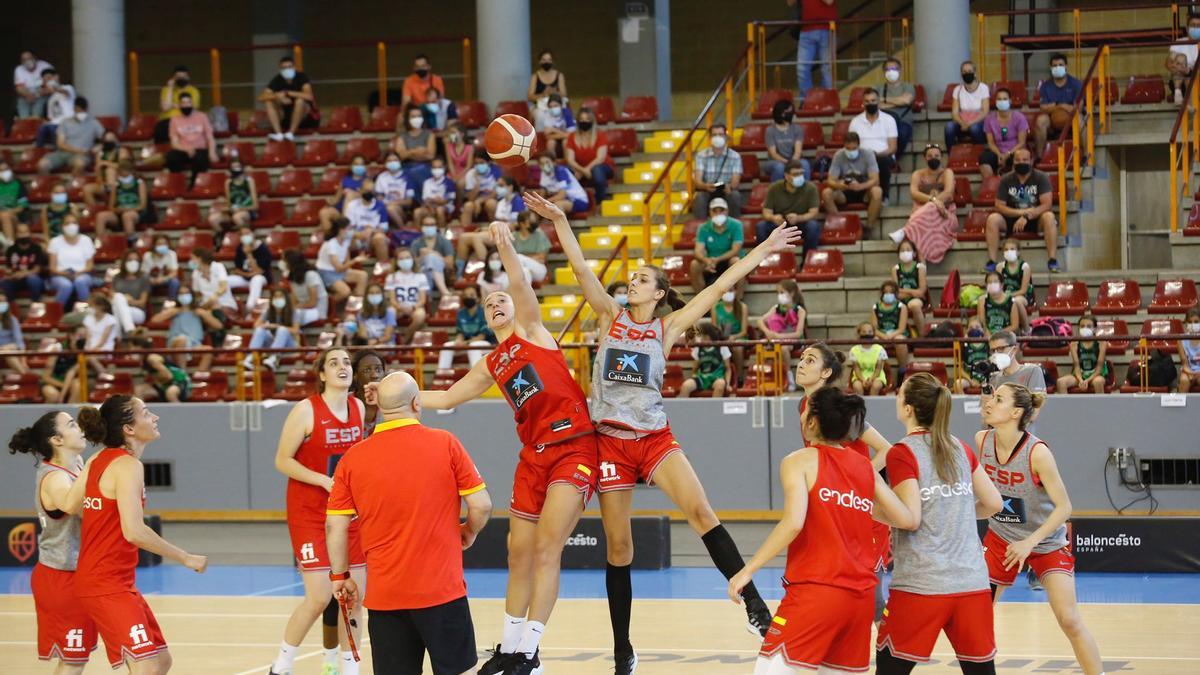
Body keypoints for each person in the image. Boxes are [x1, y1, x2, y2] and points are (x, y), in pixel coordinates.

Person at [533, 191, 802, 665]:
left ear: (658, 294)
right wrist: (559, 221)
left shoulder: (667, 328)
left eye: (642, 279)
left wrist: (765, 249)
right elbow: (578, 270)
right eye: (631, 277)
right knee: (619, 546)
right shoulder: (607, 317)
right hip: (611, 444)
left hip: (654, 438)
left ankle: (756, 607)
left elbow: (718, 289)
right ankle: (623, 650)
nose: (631, 282)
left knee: (701, 512)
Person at [418, 219, 602, 675]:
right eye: (488, 303)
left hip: (575, 448)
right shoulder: (491, 362)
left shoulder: (535, 331)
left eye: (500, 299)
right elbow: (445, 397)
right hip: (534, 456)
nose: (496, 303)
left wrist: (506, 249)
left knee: (546, 550)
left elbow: (518, 282)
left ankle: (530, 652)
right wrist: (401, 395)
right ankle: (510, 646)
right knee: (517, 553)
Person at [729, 387, 916, 675]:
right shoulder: (864, 468)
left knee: (768, 671)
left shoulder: (798, 460)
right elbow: (906, 519)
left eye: (806, 409)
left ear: (813, 421)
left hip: (815, 592)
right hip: (860, 600)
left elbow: (793, 522)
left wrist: (748, 569)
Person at [328, 370, 490, 675]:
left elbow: (334, 526)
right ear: (417, 403)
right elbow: (481, 504)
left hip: (385, 599)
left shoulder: (352, 457)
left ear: (379, 407)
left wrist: (340, 576)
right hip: (442, 593)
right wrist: (468, 531)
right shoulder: (445, 443)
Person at [875, 373, 1004, 674]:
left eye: (899, 393)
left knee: (889, 669)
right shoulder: (960, 447)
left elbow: (910, 518)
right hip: (972, 584)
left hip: (922, 585)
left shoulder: (902, 452)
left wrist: (869, 511)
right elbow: (995, 503)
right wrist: (952, 511)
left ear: (908, 408)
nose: (896, 397)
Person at [75, 396, 209, 673]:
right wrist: (185, 558)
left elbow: (69, 505)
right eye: (146, 413)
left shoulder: (99, 458)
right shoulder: (127, 466)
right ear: (129, 429)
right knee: (146, 666)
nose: (155, 417)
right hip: (105, 583)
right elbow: (134, 531)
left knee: (160, 661)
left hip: (117, 581)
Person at [978, 384, 1105, 675]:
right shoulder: (982, 440)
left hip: (1046, 541)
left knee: (1069, 619)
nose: (988, 403)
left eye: (998, 399)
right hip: (1001, 538)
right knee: (978, 618)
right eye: (991, 397)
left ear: (1015, 412)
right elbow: (989, 500)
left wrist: (1030, 543)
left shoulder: (1037, 453)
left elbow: (1065, 507)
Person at [269, 349, 367, 675]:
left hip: (347, 515)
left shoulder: (359, 407)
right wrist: (323, 481)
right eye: (333, 363)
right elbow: (282, 460)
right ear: (322, 374)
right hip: (309, 513)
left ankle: (348, 668)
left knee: (355, 598)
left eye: (346, 363)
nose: (342, 367)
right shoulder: (306, 410)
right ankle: (281, 665)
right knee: (320, 597)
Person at [9, 411, 96, 673]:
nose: (79, 427)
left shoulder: (78, 462)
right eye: (72, 424)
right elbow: (81, 507)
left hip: (80, 574)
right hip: (60, 576)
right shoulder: (55, 478)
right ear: (57, 440)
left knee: (77, 659)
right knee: (72, 661)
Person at [987, 148, 1059, 272]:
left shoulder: (1041, 177)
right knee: (992, 219)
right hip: (1011, 219)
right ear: (1013, 162)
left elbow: (1047, 204)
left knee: (1049, 216)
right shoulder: (1006, 179)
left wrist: (1027, 216)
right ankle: (992, 261)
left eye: (1025, 160)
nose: (1021, 162)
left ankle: (1052, 260)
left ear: (1031, 161)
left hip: (1035, 219)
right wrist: (1020, 213)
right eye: (1018, 160)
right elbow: (999, 205)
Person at [894, 144, 959, 266]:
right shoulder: (917, 174)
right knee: (921, 225)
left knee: (924, 214)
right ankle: (922, 267)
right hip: (922, 218)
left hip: (945, 215)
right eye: (930, 156)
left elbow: (949, 193)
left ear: (941, 158)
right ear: (925, 158)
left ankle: (904, 231)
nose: (933, 158)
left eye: (936, 155)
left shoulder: (947, 173)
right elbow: (914, 193)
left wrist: (933, 204)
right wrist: (933, 201)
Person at [761, 160, 821, 261]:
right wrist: (773, 217)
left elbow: (814, 212)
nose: (800, 176)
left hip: (801, 223)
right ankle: (763, 261)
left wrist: (799, 218)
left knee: (813, 226)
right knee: (761, 227)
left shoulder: (811, 188)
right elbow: (766, 212)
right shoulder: (775, 188)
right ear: (786, 175)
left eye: (801, 173)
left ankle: (807, 262)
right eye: (795, 174)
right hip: (780, 224)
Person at [822, 132, 883, 228]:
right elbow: (830, 181)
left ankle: (869, 227)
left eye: (854, 148)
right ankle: (840, 225)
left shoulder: (868, 154)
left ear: (859, 146)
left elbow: (875, 180)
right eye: (848, 148)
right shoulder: (839, 155)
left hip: (864, 190)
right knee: (826, 193)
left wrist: (860, 186)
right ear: (844, 146)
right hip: (845, 191)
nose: (851, 151)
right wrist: (840, 185)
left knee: (877, 191)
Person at [848, 88, 898, 199]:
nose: (870, 104)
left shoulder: (889, 120)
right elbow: (851, 145)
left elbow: (893, 148)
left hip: (884, 156)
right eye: (867, 101)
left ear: (878, 101)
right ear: (863, 103)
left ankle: (884, 197)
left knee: (883, 161)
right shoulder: (855, 122)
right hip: (861, 158)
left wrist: (875, 155)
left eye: (873, 101)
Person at [758, 280, 807, 388]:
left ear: (792, 293)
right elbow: (760, 321)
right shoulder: (776, 308)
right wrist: (768, 332)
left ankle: (789, 377)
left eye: (782, 292)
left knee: (784, 348)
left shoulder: (800, 310)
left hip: (794, 341)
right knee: (761, 346)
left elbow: (798, 333)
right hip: (776, 339)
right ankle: (766, 378)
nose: (779, 295)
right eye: (778, 293)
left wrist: (778, 337)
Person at [150, 292, 215, 371]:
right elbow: (154, 320)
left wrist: (204, 314)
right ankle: (183, 373)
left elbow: (219, 326)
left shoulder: (199, 312)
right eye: (181, 293)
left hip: (194, 345)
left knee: (208, 350)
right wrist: (171, 312)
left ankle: (198, 377)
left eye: (186, 293)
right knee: (182, 340)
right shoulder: (173, 311)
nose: (184, 296)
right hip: (176, 343)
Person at [39, 97, 105, 176]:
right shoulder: (65, 122)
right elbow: (60, 143)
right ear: (74, 109)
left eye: (81, 110)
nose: (79, 112)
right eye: (77, 109)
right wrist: (77, 150)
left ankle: (72, 186)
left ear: (87, 109)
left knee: (80, 164)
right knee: (42, 165)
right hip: (62, 153)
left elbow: (106, 139)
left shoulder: (94, 123)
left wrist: (99, 146)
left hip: (82, 155)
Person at [690, 198, 745, 290]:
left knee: (736, 262)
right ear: (710, 212)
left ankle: (738, 298)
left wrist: (717, 259)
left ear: (727, 211)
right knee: (694, 264)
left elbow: (735, 250)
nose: (718, 214)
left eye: (721, 210)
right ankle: (700, 299)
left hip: (728, 260)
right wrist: (706, 260)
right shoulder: (703, 228)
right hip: (710, 261)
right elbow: (698, 251)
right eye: (715, 211)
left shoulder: (736, 225)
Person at [259, 55, 318, 142]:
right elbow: (261, 97)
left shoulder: (302, 77)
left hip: (305, 119)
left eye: (290, 67)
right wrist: (277, 96)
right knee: (268, 101)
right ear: (280, 70)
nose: (287, 70)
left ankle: (291, 133)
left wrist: (287, 93)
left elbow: (309, 96)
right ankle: (278, 134)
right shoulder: (277, 80)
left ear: (294, 67)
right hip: (286, 117)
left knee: (300, 100)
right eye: (284, 68)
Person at [1035, 53, 1083, 159]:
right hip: (1052, 119)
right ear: (1050, 67)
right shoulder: (1045, 86)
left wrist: (1055, 106)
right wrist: (1061, 105)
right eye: (1055, 65)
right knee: (1040, 121)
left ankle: (1084, 155)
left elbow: (1077, 108)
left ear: (1066, 66)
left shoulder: (1076, 84)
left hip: (1070, 118)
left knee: (1080, 119)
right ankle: (1039, 157)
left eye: (1060, 65)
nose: (1057, 67)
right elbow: (1043, 108)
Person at [436, 285, 495, 370]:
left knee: (473, 347)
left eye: (471, 295)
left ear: (478, 298)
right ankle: (442, 376)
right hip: (467, 344)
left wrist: (465, 343)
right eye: (466, 295)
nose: (468, 297)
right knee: (447, 346)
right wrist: (458, 341)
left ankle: (476, 378)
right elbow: (460, 333)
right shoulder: (461, 313)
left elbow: (482, 336)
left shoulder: (484, 312)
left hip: (486, 345)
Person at [164, 93, 217, 188]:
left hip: (200, 149)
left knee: (200, 159)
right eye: (183, 103)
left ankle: (194, 185)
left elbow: (210, 137)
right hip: (183, 149)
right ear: (179, 105)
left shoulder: (202, 116)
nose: (186, 105)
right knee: (171, 158)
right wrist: (186, 149)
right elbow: (174, 143)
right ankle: (178, 184)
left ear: (192, 103)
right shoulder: (174, 120)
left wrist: (212, 152)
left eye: (188, 102)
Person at [692, 124, 744, 219]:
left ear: (725, 136)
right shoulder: (701, 155)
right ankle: (700, 228)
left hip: (726, 191)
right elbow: (698, 181)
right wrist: (706, 186)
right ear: (710, 137)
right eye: (714, 135)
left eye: (720, 134)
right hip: (708, 190)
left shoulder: (735, 156)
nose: (717, 137)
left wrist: (730, 187)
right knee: (699, 198)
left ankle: (735, 226)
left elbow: (735, 182)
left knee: (735, 196)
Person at [789, 0, 837, 102]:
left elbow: (829, 1)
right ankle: (807, 101)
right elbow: (790, 3)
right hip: (806, 28)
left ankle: (828, 100)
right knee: (802, 68)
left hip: (826, 27)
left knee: (827, 68)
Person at [565, 106, 614, 203]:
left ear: (592, 121)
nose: (584, 122)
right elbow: (570, 159)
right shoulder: (572, 136)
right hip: (581, 168)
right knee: (567, 171)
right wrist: (583, 171)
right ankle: (574, 201)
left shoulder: (600, 135)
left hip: (601, 167)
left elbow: (600, 158)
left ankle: (600, 201)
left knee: (597, 170)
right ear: (578, 121)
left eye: (587, 119)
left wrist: (586, 169)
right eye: (582, 119)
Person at [316, 218, 369, 306]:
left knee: (363, 276)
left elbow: (362, 236)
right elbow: (339, 268)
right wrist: (355, 260)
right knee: (345, 292)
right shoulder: (331, 244)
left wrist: (366, 230)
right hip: (327, 273)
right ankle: (328, 305)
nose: (351, 231)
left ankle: (356, 305)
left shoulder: (346, 237)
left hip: (340, 270)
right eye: (349, 228)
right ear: (341, 230)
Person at [47, 215, 97, 306]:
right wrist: (65, 274)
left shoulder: (86, 240)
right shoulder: (55, 241)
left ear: (78, 225)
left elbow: (90, 265)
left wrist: (78, 273)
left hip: (83, 274)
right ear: (62, 226)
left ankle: (87, 311)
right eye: (67, 223)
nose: (71, 226)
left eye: (74, 223)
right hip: (60, 275)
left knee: (80, 281)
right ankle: (55, 314)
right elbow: (52, 268)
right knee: (66, 285)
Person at [980, 88, 1030, 178]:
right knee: (984, 159)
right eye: (999, 99)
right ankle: (992, 185)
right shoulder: (989, 119)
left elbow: (1022, 142)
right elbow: (990, 142)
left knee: (1019, 159)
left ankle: (1012, 185)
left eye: (1004, 99)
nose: (1002, 101)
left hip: (1015, 151)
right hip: (997, 151)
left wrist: (1008, 153)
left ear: (1010, 101)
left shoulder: (1019, 117)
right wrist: (999, 154)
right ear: (995, 102)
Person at [246, 289, 300, 371]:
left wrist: (277, 326)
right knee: (260, 330)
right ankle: (250, 358)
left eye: (280, 296)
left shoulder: (293, 312)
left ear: (285, 298)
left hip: (290, 344)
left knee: (282, 330)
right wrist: (268, 326)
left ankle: (273, 359)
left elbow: (295, 330)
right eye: (275, 296)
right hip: (274, 342)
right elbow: (256, 325)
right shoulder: (269, 311)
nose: (278, 298)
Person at [1052, 315, 1107, 394]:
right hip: (1079, 375)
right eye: (1082, 326)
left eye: (1088, 326)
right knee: (1061, 382)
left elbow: (1099, 368)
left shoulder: (1101, 343)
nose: (1085, 329)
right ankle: (1065, 406)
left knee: (1098, 382)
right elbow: (1076, 366)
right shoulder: (1074, 344)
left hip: (1096, 375)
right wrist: (1081, 380)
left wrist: (1087, 380)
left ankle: (1100, 406)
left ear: (1095, 329)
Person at [96, 161, 150, 240]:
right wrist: (118, 210)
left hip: (135, 213)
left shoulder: (139, 183)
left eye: (126, 171)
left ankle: (130, 243)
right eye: (122, 171)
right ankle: (101, 243)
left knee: (127, 216)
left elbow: (142, 205)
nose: (124, 173)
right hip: (119, 212)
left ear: (132, 171)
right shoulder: (116, 185)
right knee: (101, 216)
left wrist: (127, 210)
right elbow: (111, 206)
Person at [189, 247, 237, 336]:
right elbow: (197, 294)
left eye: (192, 258)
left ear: (200, 258)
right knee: (199, 312)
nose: (190, 261)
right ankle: (218, 332)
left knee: (212, 306)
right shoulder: (195, 274)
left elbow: (223, 287)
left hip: (224, 303)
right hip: (206, 305)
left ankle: (218, 333)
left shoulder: (218, 266)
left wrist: (214, 297)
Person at [342, 178, 392, 262]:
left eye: (371, 191)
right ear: (360, 190)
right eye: (366, 190)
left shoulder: (380, 206)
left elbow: (384, 228)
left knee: (380, 238)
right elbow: (347, 227)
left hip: (373, 236)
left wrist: (371, 231)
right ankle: (346, 269)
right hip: (356, 236)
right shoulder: (352, 205)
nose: (369, 193)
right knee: (341, 238)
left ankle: (383, 269)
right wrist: (358, 234)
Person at [384, 250, 429, 341]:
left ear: (413, 259)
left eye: (407, 257)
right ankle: (389, 337)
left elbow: (422, 300)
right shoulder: (391, 277)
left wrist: (412, 307)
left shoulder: (420, 277)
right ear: (396, 261)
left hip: (414, 306)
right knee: (390, 312)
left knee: (420, 315)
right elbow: (392, 299)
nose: (405, 260)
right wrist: (400, 307)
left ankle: (406, 337)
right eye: (401, 258)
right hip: (398, 307)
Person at [319, 154, 370, 233]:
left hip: (357, 214)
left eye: (361, 164)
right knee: (324, 212)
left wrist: (354, 194)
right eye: (356, 164)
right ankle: (330, 238)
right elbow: (336, 199)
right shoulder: (345, 180)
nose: (359, 166)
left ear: (365, 166)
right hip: (341, 211)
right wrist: (330, 201)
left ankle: (344, 224)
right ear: (351, 166)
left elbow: (368, 199)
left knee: (349, 194)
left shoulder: (367, 181)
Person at [678, 322, 731, 398]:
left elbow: (728, 369)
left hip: (717, 377)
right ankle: (683, 409)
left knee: (720, 385)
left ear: (708, 336)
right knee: (685, 386)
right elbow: (695, 368)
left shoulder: (722, 347)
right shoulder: (698, 347)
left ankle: (713, 409)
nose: (700, 337)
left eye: (701, 335)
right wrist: (694, 377)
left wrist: (728, 384)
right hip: (702, 377)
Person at [945, 60, 990, 149]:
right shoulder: (957, 89)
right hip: (962, 121)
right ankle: (952, 156)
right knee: (949, 127)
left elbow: (985, 112)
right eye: (964, 72)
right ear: (961, 74)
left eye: (970, 71)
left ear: (975, 73)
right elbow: (954, 113)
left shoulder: (983, 88)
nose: (967, 74)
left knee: (974, 128)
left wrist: (969, 124)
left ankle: (980, 153)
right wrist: (962, 123)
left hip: (978, 121)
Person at [395, 104, 437, 199]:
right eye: (413, 116)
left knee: (419, 171)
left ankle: (422, 201)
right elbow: (400, 156)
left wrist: (409, 153)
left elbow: (430, 155)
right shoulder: (402, 137)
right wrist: (417, 151)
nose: (416, 119)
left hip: (425, 166)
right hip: (407, 166)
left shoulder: (429, 134)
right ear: (408, 119)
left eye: (419, 116)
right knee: (408, 173)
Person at [229, 225, 272, 317]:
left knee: (256, 279)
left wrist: (249, 254)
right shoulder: (240, 248)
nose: (245, 236)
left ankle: (249, 309)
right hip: (245, 277)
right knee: (226, 280)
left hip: (262, 278)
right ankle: (230, 306)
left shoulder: (262, 248)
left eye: (247, 233)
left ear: (253, 235)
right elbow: (237, 269)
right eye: (242, 234)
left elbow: (259, 271)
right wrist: (247, 275)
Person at [763, 99, 808, 183]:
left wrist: (792, 163)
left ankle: (804, 191)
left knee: (805, 164)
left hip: (793, 160)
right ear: (781, 114)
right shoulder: (770, 130)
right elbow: (773, 154)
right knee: (779, 167)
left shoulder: (797, 129)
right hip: (775, 161)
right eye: (789, 111)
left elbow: (798, 152)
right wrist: (786, 162)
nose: (791, 114)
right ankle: (777, 193)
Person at [409, 215, 455, 296]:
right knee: (427, 266)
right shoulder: (416, 243)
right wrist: (422, 257)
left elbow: (450, 264)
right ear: (421, 227)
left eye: (432, 225)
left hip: (443, 273)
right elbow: (413, 267)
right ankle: (444, 292)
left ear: (436, 226)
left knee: (431, 258)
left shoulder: (444, 241)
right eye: (426, 225)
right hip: (422, 273)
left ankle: (427, 297)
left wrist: (433, 253)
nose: (429, 227)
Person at [208, 160, 258, 234]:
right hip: (233, 211)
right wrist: (226, 208)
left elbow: (255, 206)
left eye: (237, 166)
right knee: (212, 219)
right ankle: (223, 238)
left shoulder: (249, 181)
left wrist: (240, 208)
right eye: (233, 167)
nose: (235, 169)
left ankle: (247, 238)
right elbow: (229, 203)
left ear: (242, 168)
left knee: (237, 217)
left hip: (247, 211)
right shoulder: (228, 182)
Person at [879, 57, 916, 157]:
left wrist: (885, 100)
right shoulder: (877, 88)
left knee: (902, 134)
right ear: (883, 72)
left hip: (903, 121)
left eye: (894, 69)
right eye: (888, 69)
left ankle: (893, 160)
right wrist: (898, 102)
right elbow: (876, 103)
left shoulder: (908, 86)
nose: (891, 72)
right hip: (883, 122)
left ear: (900, 70)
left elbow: (907, 100)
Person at [711, 287, 749, 384]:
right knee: (718, 346)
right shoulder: (715, 307)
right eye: (726, 291)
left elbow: (744, 331)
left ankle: (739, 377)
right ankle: (718, 377)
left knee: (738, 348)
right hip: (722, 338)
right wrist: (722, 336)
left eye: (731, 291)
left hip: (738, 337)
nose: (728, 293)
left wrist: (733, 337)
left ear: (736, 292)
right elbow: (714, 329)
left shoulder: (742, 307)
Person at [891, 239, 929, 336]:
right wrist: (912, 292)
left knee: (914, 305)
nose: (905, 252)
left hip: (917, 299)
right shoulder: (895, 269)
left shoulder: (920, 267)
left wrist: (904, 290)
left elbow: (921, 292)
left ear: (914, 253)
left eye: (908, 250)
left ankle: (922, 336)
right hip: (901, 299)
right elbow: (896, 293)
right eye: (902, 250)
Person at [155, 65, 201, 144]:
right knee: (160, 128)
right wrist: (170, 88)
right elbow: (165, 108)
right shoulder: (166, 90)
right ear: (173, 78)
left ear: (188, 77)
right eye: (178, 77)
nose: (181, 79)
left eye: (184, 76)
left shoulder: (193, 91)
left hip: (185, 120)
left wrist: (172, 105)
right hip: (167, 121)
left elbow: (191, 108)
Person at [340, 283, 396, 348]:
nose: (374, 295)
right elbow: (363, 335)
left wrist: (376, 341)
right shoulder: (361, 314)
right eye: (371, 293)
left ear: (382, 295)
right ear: (367, 296)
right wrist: (369, 342)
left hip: (386, 346)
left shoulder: (389, 313)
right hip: (368, 345)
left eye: (377, 292)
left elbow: (387, 336)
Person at [282, 250, 328, 326]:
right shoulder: (292, 278)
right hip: (301, 310)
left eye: (284, 261)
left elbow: (312, 303)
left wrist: (295, 308)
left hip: (317, 311)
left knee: (293, 316)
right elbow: (294, 300)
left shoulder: (311, 275)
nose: (283, 263)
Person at [999, 237, 1035, 333]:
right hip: (1005, 295)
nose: (1008, 251)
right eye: (1006, 249)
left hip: (1022, 296)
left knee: (1016, 301)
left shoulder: (1024, 267)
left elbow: (1023, 290)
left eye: (1012, 249)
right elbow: (998, 285)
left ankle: (1027, 330)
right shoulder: (1000, 267)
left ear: (1018, 252)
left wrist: (1008, 296)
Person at [4, 222, 48, 300]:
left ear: (30, 233)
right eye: (20, 232)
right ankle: (12, 308)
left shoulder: (37, 248)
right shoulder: (11, 250)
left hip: (35, 278)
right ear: (16, 234)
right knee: (5, 282)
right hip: (17, 279)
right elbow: (8, 269)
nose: (23, 234)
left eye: (25, 232)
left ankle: (35, 304)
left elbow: (37, 270)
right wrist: (10, 274)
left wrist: (23, 274)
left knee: (33, 280)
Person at [111, 250, 151, 335]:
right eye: (130, 260)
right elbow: (112, 297)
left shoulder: (144, 278)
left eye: (136, 260)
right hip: (119, 309)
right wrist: (123, 299)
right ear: (124, 262)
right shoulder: (117, 278)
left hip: (138, 312)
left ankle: (118, 337)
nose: (133, 262)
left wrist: (129, 301)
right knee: (117, 301)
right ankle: (129, 329)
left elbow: (142, 303)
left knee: (117, 301)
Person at [34, 69, 76, 148]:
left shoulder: (68, 87)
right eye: (45, 80)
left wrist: (55, 87)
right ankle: (39, 151)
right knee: (42, 128)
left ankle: (58, 150)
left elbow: (66, 93)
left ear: (56, 77)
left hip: (68, 122)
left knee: (53, 128)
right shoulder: (51, 99)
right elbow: (51, 118)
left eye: (49, 78)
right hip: (54, 123)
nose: (47, 82)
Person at [873, 280, 909, 369]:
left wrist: (890, 336)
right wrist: (883, 336)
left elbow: (902, 328)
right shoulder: (876, 307)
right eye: (886, 292)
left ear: (896, 293)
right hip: (882, 334)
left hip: (897, 333)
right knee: (874, 340)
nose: (888, 294)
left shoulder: (902, 307)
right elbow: (874, 328)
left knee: (899, 340)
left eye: (891, 292)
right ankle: (877, 370)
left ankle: (902, 370)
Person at [462, 150, 503, 228]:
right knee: (468, 205)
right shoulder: (470, 174)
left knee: (491, 203)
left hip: (492, 198)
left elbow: (495, 193)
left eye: (481, 163)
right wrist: (477, 185)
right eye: (476, 163)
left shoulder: (496, 171)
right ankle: (466, 231)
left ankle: (496, 230)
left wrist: (479, 201)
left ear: (488, 162)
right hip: (474, 200)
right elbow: (470, 198)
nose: (478, 165)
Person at [351, 350, 387, 435]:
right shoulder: (344, 403)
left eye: (378, 369)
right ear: (355, 375)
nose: (375, 375)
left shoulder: (394, 404)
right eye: (367, 370)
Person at [413, 157, 456, 227]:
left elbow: (446, 201)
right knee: (417, 212)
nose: (437, 170)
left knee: (439, 210)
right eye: (434, 167)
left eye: (439, 167)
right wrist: (431, 206)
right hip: (429, 207)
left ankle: (442, 233)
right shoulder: (427, 182)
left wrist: (433, 200)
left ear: (444, 167)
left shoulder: (449, 182)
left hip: (446, 207)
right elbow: (426, 200)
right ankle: (417, 234)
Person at [1168, 14, 1200, 104]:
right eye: (1193, 25)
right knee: (1180, 59)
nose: (1196, 28)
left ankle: (1190, 106)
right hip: (1180, 79)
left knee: (1190, 76)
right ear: (1187, 28)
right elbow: (1168, 63)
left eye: (1198, 26)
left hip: (1197, 78)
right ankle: (1178, 93)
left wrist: (1190, 70)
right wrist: (1178, 67)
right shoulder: (1179, 42)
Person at [375, 151, 413, 227]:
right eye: (389, 161)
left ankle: (403, 228)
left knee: (391, 208)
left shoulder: (407, 177)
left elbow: (409, 202)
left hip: (401, 209)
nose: (392, 163)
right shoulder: (381, 177)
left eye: (395, 160)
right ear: (385, 163)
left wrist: (392, 203)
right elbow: (379, 197)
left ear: (400, 162)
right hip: (384, 206)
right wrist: (385, 203)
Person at [850, 322, 889, 396]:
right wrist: (863, 380)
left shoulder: (879, 349)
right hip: (860, 376)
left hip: (877, 376)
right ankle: (860, 406)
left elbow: (878, 368)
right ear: (859, 333)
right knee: (857, 386)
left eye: (870, 331)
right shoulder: (854, 350)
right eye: (864, 331)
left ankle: (873, 407)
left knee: (876, 385)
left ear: (874, 333)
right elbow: (856, 368)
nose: (867, 333)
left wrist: (871, 379)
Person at [955, 317, 991, 394]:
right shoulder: (964, 346)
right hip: (970, 378)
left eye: (977, 327)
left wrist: (986, 380)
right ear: (967, 330)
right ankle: (963, 404)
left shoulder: (988, 344)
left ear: (982, 329)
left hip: (987, 378)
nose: (974, 329)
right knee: (957, 384)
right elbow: (959, 370)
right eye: (971, 327)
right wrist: (971, 380)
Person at [14, 50, 53, 119]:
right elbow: (19, 88)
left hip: (42, 93)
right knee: (23, 111)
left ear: (35, 58)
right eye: (24, 60)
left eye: (29, 58)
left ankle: (35, 121)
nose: (27, 61)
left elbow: (51, 87)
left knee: (37, 112)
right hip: (26, 93)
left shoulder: (46, 66)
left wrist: (36, 95)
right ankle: (24, 121)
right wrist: (28, 95)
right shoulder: (19, 69)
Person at [536, 93, 576, 158]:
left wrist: (553, 130)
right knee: (550, 142)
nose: (553, 108)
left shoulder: (567, 114)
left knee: (565, 142)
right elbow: (547, 136)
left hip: (567, 138)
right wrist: (563, 134)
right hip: (556, 137)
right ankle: (553, 163)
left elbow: (570, 135)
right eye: (550, 106)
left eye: (555, 106)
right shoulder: (548, 114)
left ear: (561, 105)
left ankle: (567, 163)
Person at [979, 272, 1018, 336]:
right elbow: (982, 323)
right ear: (986, 285)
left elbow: (1014, 326)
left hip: (1005, 335)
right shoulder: (982, 300)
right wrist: (989, 336)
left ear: (1002, 285)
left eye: (995, 282)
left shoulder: (1011, 301)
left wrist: (999, 334)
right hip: (988, 335)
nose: (992, 284)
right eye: (989, 282)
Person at [142, 234, 180, 300]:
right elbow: (144, 274)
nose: (162, 246)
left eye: (164, 244)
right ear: (154, 245)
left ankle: (171, 302)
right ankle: (146, 304)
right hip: (152, 280)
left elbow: (174, 273)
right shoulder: (147, 255)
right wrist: (152, 280)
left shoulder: (172, 254)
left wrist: (164, 279)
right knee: (144, 282)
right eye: (159, 244)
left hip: (166, 279)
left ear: (168, 245)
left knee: (175, 282)